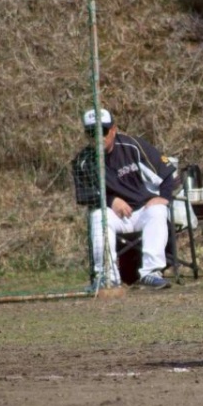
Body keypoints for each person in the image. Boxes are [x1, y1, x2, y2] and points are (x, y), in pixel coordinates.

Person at [72, 108, 176, 290]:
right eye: (92, 133)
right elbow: (85, 195)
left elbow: (166, 171)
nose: (98, 137)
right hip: (114, 215)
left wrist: (164, 197)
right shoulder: (83, 161)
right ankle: (107, 277)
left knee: (158, 210)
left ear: (113, 130)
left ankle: (151, 273)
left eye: (103, 131)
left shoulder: (133, 146)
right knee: (98, 216)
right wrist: (111, 201)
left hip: (142, 210)